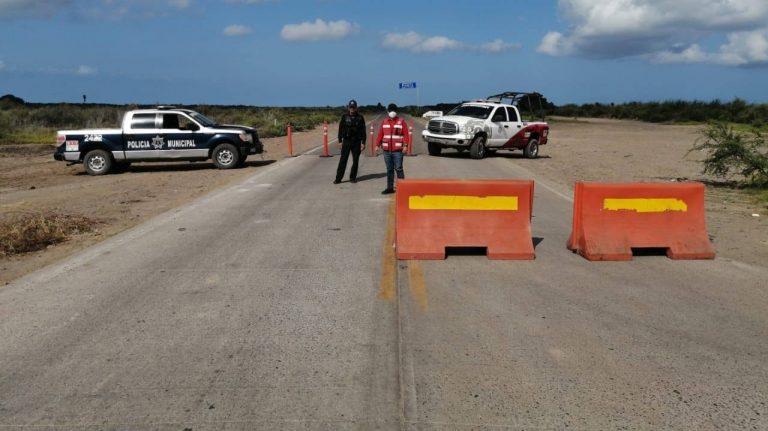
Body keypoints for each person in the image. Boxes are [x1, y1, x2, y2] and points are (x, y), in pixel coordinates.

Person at [375, 103, 410, 194]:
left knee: (398, 168)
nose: (392, 112)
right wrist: (377, 145)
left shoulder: (401, 122)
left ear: (396, 111)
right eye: (390, 110)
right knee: (389, 169)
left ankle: (403, 188)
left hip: (398, 151)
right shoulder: (384, 122)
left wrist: (405, 146)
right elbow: (380, 134)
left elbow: (406, 135)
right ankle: (390, 188)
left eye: (394, 110)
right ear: (388, 111)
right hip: (386, 151)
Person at [334, 99, 367, 184]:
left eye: (353, 107)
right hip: (347, 141)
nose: (352, 108)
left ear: (356, 107)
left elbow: (363, 131)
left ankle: (352, 177)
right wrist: (340, 141)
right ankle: (338, 178)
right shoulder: (344, 117)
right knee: (343, 160)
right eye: (351, 107)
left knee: (355, 160)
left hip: (356, 141)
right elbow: (340, 129)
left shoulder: (360, 117)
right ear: (348, 107)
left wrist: (363, 142)